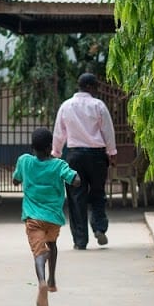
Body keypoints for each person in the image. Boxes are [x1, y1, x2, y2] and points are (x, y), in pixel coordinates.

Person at [13, 128, 80, 306]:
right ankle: (52, 280)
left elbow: (16, 180)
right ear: (50, 147)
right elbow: (75, 180)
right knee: (51, 244)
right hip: (53, 218)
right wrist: (75, 178)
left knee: (39, 252)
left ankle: (42, 281)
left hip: (33, 217)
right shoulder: (59, 165)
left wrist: (20, 180)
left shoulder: (24, 161)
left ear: (32, 147)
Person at [52, 72, 117, 250]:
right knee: (97, 193)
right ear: (89, 87)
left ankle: (80, 240)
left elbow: (59, 132)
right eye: (95, 87)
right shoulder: (98, 105)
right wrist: (111, 152)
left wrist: (56, 153)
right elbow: (108, 131)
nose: (96, 90)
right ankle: (99, 227)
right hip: (97, 156)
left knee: (76, 197)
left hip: (74, 156)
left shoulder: (66, 106)